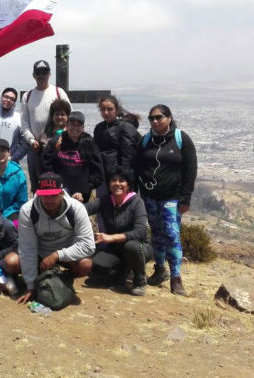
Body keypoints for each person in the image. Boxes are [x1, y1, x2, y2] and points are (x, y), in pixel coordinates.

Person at [135, 104, 197, 296]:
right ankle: (160, 269)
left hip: (172, 197)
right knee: (156, 234)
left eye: (158, 117)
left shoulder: (180, 139)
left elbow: (190, 168)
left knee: (171, 233)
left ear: (169, 118)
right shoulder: (146, 140)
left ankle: (176, 278)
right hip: (150, 196)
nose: (154, 121)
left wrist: (186, 197)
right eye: (151, 118)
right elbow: (137, 165)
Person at [16, 172, 95, 305]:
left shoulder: (77, 209)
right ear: (38, 194)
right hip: (40, 255)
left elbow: (88, 245)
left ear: (62, 193)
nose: (49, 200)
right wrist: (31, 286)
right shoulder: (28, 210)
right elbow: (27, 248)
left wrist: (58, 255)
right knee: (11, 262)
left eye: (53, 195)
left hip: (66, 256)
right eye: (44, 196)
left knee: (85, 264)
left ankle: (64, 278)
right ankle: (30, 280)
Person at [84, 168, 153, 296]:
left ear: (128, 185)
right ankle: (122, 272)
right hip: (116, 249)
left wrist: (112, 238)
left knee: (131, 246)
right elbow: (85, 209)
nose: (117, 183)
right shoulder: (105, 200)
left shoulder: (137, 202)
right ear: (109, 184)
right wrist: (74, 202)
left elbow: (141, 232)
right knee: (97, 267)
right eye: (113, 180)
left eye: (122, 181)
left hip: (139, 248)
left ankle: (139, 282)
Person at [21, 60, 71, 192]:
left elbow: (70, 116)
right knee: (37, 185)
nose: (41, 75)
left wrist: (63, 135)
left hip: (57, 146)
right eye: (38, 73)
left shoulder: (58, 92)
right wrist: (31, 141)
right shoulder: (27, 95)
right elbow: (24, 122)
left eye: (44, 72)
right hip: (35, 147)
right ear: (33, 75)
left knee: (59, 183)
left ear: (49, 74)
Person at [41, 111, 104, 203]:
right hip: (59, 192)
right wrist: (55, 187)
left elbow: (98, 170)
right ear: (66, 125)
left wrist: (86, 189)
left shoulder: (89, 142)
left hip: (81, 195)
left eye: (78, 125)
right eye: (72, 124)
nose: (75, 128)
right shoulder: (57, 141)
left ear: (83, 127)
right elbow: (45, 165)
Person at [93, 95, 140, 183]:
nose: (106, 112)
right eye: (103, 109)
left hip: (119, 178)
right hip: (103, 176)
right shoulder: (99, 128)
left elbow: (127, 157)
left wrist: (122, 178)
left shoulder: (125, 127)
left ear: (117, 110)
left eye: (110, 109)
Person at [0, 87, 27, 162]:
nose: (8, 100)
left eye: (12, 99)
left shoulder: (18, 118)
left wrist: (14, 157)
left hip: (9, 161)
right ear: (1, 97)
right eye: (6, 97)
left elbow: (25, 143)